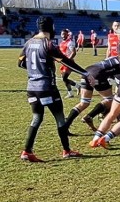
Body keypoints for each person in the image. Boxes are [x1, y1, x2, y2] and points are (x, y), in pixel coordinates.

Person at [18, 16, 86, 162]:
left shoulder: (28, 43)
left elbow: (21, 63)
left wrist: (34, 70)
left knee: (37, 118)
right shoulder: (48, 44)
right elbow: (67, 62)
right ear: (51, 27)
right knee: (60, 119)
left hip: (31, 87)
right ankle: (67, 151)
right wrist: (85, 73)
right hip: (47, 87)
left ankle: (27, 151)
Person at [58, 29, 78, 98]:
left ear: (67, 34)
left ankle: (72, 91)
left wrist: (68, 60)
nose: (63, 35)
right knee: (64, 78)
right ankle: (75, 88)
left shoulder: (70, 42)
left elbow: (74, 52)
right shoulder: (61, 43)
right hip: (64, 63)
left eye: (64, 34)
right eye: (62, 34)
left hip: (69, 63)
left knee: (64, 78)